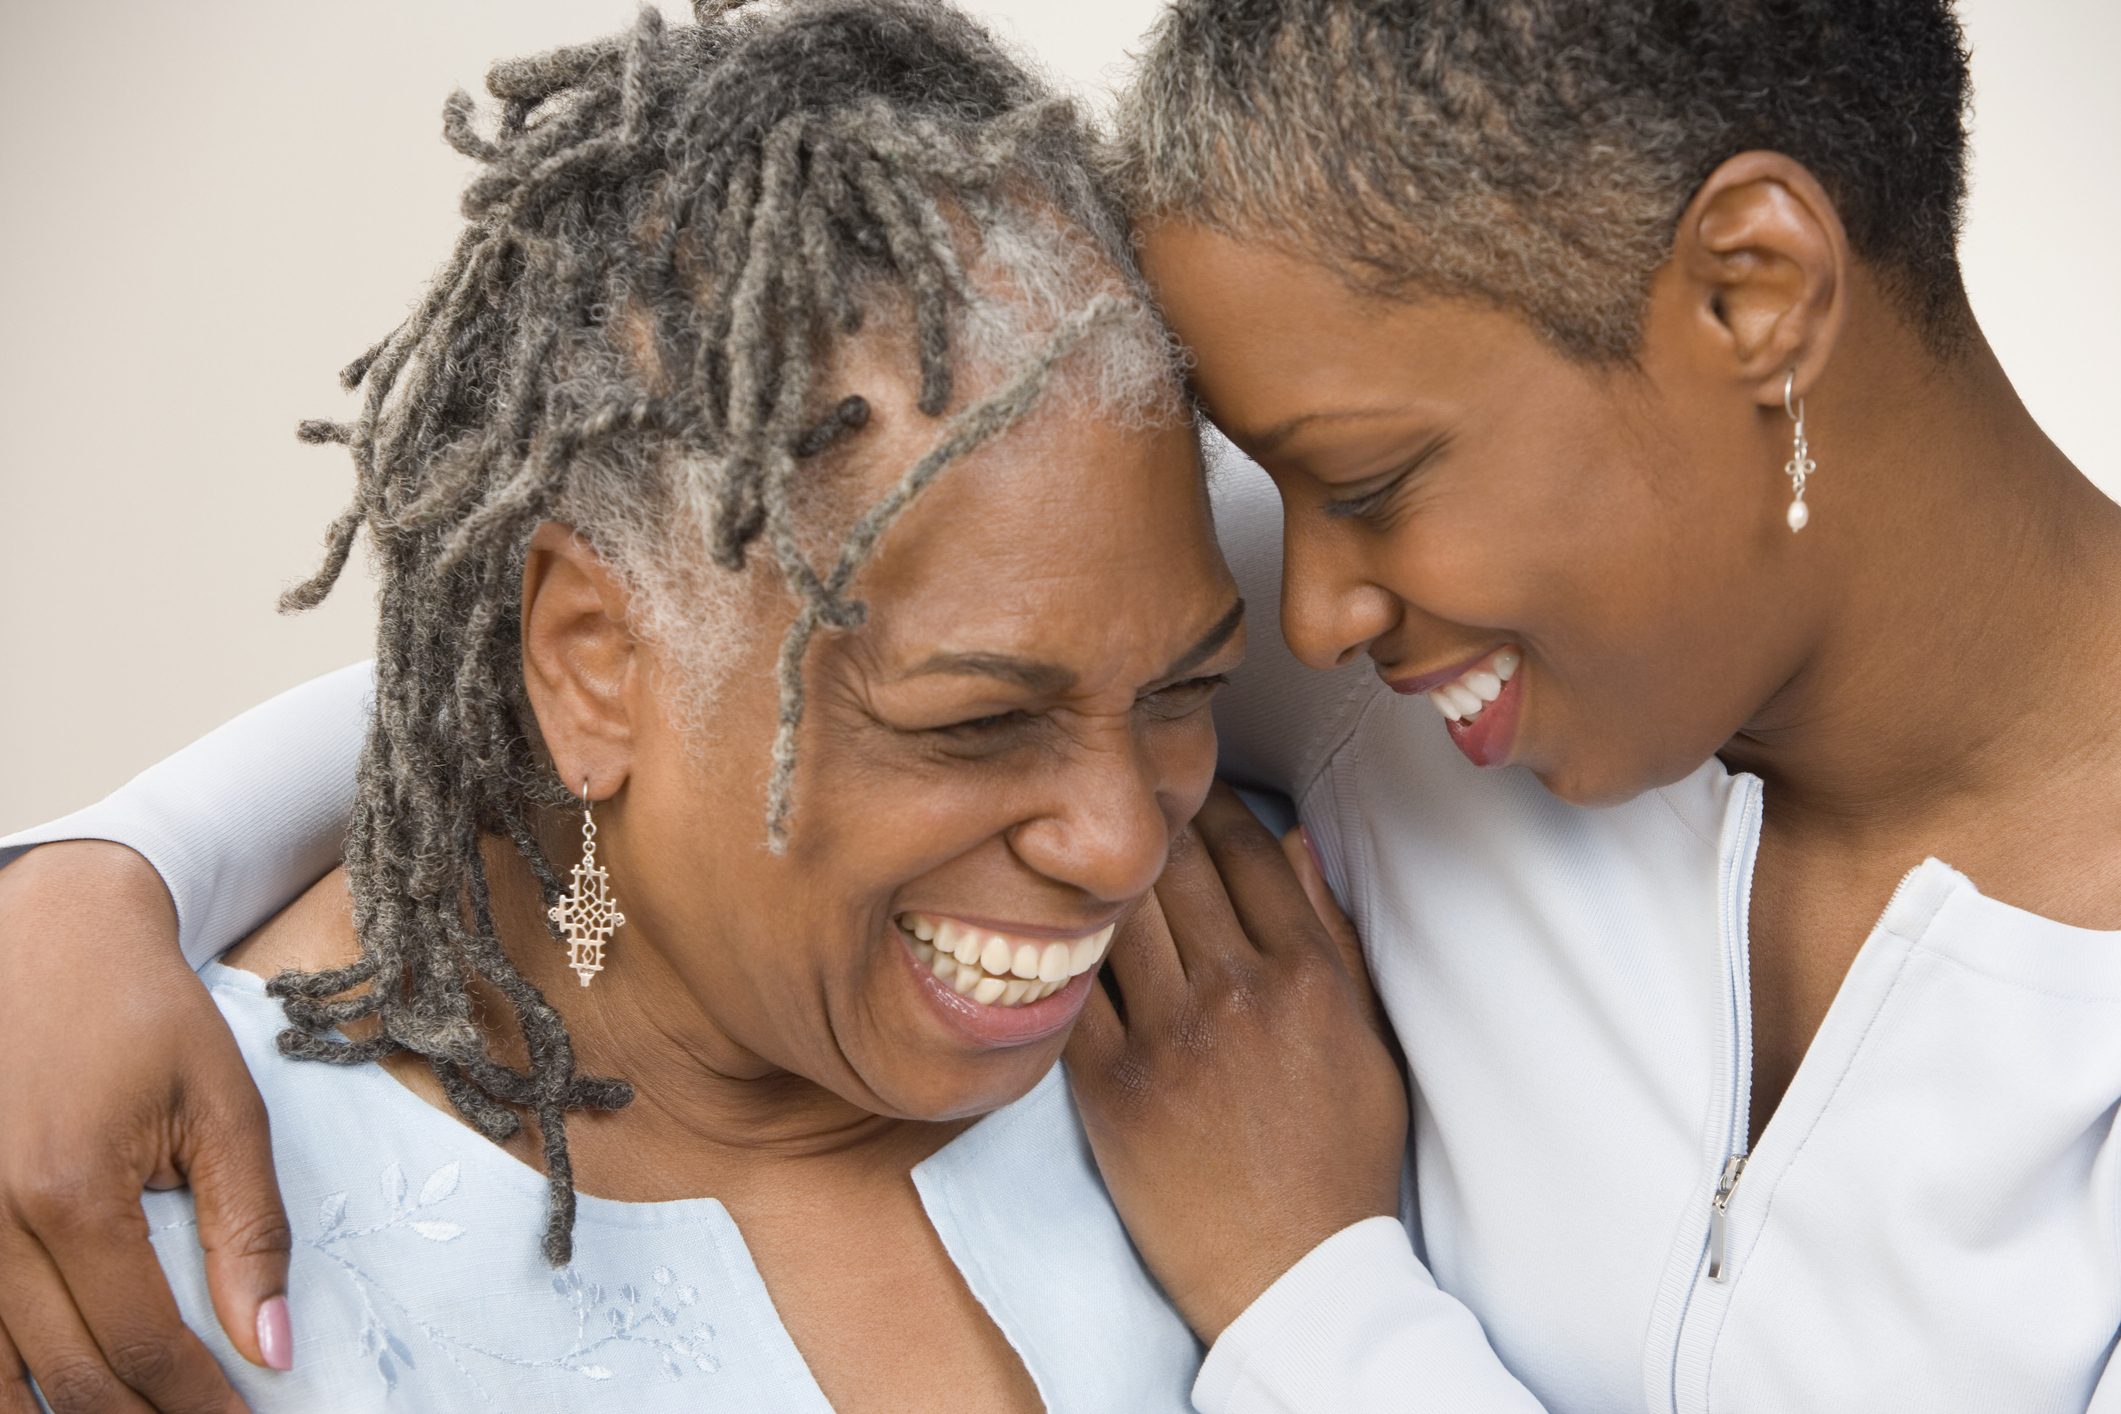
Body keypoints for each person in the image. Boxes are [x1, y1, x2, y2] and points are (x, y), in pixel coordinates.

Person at [9, 0, 2120, 1410]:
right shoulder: (1407, 660)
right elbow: (693, 587)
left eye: (1361, 483)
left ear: (1752, 295)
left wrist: (1310, 1286)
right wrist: (101, 874)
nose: (1314, 597)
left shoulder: (1490, 675)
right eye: (1273, 508)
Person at [0, 2, 1402, 1411]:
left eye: (1183, 688)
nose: (1117, 845)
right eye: (970, 723)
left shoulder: (1275, 998)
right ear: (594, 661)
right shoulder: (131, 1224)